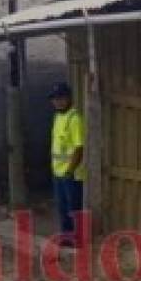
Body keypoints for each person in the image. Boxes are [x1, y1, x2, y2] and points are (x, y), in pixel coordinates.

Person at [49, 81, 85, 246]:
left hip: (72, 173)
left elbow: (79, 147)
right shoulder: (58, 117)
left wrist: (70, 170)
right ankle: (66, 237)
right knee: (62, 207)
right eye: (55, 99)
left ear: (68, 98)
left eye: (60, 98)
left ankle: (78, 239)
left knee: (74, 208)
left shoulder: (74, 118)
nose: (57, 101)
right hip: (58, 172)